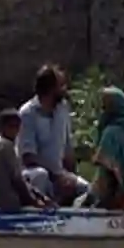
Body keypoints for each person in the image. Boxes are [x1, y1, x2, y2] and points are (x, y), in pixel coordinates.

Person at [18, 64, 89, 206]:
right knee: (40, 176)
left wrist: (70, 176)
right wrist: (56, 175)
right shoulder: (27, 114)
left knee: (86, 190)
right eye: (61, 86)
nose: (65, 89)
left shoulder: (63, 109)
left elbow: (68, 149)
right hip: (34, 176)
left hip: (59, 176)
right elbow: (28, 157)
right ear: (50, 89)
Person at [85, 87, 124, 210]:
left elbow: (108, 175)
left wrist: (89, 201)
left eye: (104, 107)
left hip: (119, 201)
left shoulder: (111, 133)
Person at [0, 109, 50, 212]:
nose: (14, 130)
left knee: (35, 176)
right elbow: (17, 180)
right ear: (1, 128)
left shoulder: (3, 144)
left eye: (17, 127)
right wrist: (34, 201)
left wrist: (40, 195)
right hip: (9, 200)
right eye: (10, 126)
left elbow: (19, 177)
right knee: (39, 175)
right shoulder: (4, 146)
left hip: (6, 196)